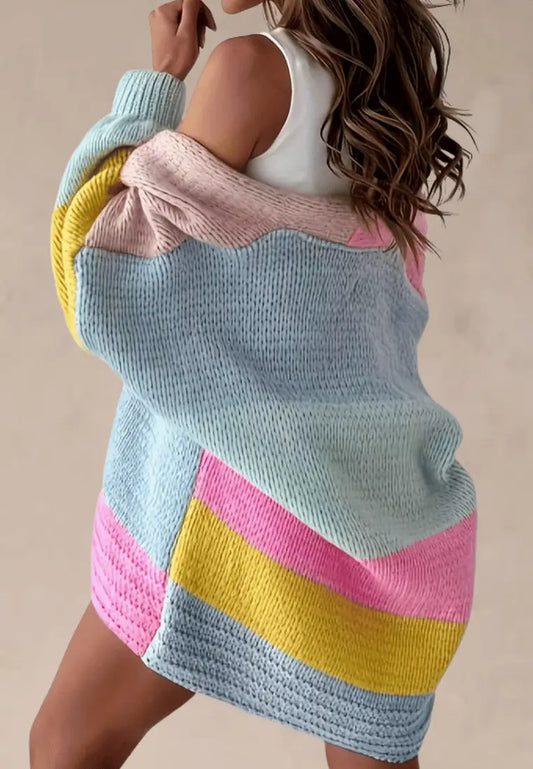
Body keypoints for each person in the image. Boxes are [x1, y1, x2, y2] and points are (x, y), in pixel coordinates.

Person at [31, 2, 477, 768]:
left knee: (65, 743)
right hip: (366, 515)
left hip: (224, 515)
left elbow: (103, 267)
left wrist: (156, 83)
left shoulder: (248, 73)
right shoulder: (393, 87)